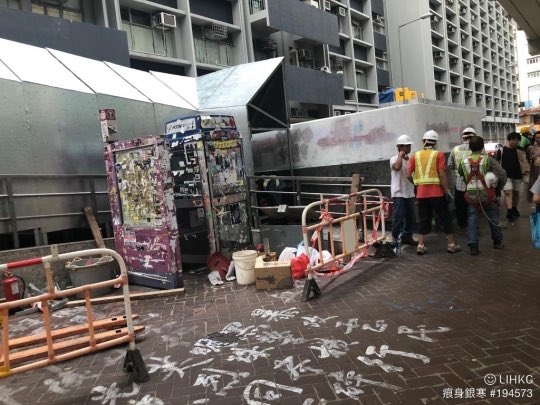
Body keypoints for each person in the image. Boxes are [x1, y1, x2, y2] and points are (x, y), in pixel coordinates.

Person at [407, 130, 461, 255]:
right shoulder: (439, 154)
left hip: (421, 194)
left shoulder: (415, 155)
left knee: (423, 219)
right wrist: (447, 190)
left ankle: (420, 245)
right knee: (445, 218)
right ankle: (451, 244)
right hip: (437, 193)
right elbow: (442, 174)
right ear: (435, 142)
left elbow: (408, 174)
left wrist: (416, 183)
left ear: (423, 141)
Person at [458, 136, 507, 255]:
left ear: (470, 147)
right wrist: (498, 186)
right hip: (488, 195)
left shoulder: (463, 161)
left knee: (472, 220)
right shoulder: (488, 160)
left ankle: (473, 246)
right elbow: (502, 174)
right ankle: (497, 242)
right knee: (493, 218)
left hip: (471, 196)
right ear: (482, 147)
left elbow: (460, 173)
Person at [447, 127, 478, 228]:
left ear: (463, 137)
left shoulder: (455, 149)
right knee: (473, 204)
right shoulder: (477, 149)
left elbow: (449, 165)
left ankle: (462, 224)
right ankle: (472, 223)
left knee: (460, 205)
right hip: (474, 182)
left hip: (459, 183)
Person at [389, 134, 417, 245]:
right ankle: (395, 237)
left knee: (411, 216)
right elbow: (397, 167)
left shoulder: (410, 160)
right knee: (399, 216)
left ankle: (407, 236)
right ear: (400, 147)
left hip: (409, 192)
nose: (409, 148)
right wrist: (400, 155)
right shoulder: (393, 159)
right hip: (398, 192)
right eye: (406, 146)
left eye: (409, 145)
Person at [497, 132, 530, 222]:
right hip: (506, 176)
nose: (515, 141)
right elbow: (497, 162)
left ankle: (514, 208)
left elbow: (525, 162)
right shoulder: (502, 150)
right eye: (513, 139)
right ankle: (509, 210)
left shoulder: (521, 150)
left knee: (516, 193)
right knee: (508, 192)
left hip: (518, 175)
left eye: (517, 140)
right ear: (509, 140)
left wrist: (526, 171)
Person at [527, 132, 540, 203]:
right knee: (536, 191)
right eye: (537, 138)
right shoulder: (530, 148)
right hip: (535, 171)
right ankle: (538, 210)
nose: (538, 139)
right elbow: (527, 159)